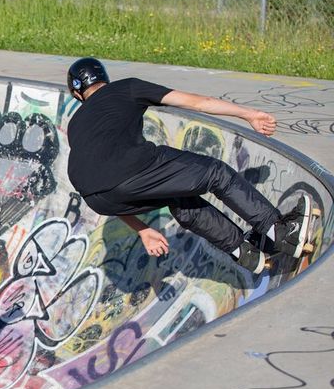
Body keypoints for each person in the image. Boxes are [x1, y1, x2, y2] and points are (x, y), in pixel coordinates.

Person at [66, 57, 310, 274]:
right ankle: (280, 232)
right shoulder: (125, 88)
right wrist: (249, 114)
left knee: (179, 197)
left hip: (96, 198)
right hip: (129, 168)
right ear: (106, 79)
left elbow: (101, 179)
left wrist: (142, 229)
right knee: (216, 174)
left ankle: (243, 251)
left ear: (77, 94)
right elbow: (198, 102)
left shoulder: (75, 123)